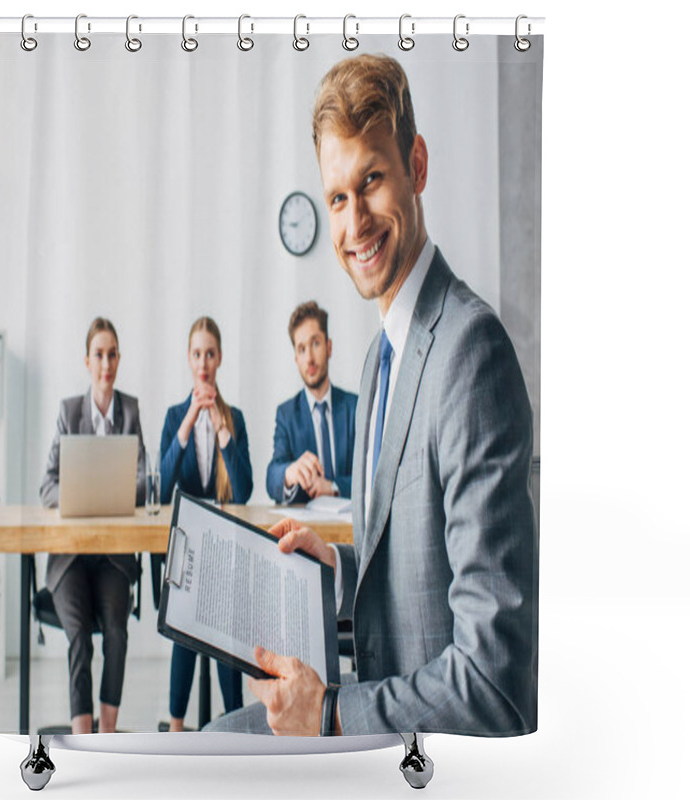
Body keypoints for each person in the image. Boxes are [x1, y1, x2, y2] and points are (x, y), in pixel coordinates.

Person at [208, 54, 538, 737]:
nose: (354, 220)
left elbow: (493, 680)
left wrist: (327, 714)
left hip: (413, 749)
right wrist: (337, 569)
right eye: (336, 197)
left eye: (372, 181)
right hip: (380, 706)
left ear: (416, 167)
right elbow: (423, 581)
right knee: (210, 742)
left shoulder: (470, 353)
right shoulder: (380, 355)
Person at [40, 317, 146, 734]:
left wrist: (117, 491)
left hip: (114, 558)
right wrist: (75, 498)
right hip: (71, 557)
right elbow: (47, 482)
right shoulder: (70, 412)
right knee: (80, 636)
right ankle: (82, 737)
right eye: (99, 354)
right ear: (88, 361)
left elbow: (143, 476)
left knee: (117, 632)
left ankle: (107, 736)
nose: (107, 363)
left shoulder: (130, 409)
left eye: (113, 354)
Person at [159, 316, 253, 731]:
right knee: (186, 624)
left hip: (222, 547)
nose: (203, 362)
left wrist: (220, 427)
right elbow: (162, 486)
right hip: (186, 547)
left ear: (220, 359)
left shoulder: (235, 418)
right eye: (197, 353)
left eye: (210, 354)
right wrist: (189, 421)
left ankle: (233, 721)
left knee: (226, 631)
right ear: (188, 358)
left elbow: (245, 489)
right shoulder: (173, 415)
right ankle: (177, 726)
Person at [266, 301, 357, 504]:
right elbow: (272, 476)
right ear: (296, 358)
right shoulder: (286, 414)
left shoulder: (355, 408)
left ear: (329, 347)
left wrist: (333, 487)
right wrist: (289, 473)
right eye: (301, 349)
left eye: (315, 343)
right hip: (305, 528)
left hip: (349, 531)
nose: (309, 358)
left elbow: (372, 475)